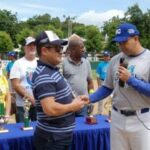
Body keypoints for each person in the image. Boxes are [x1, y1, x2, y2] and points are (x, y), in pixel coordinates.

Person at [83, 23, 150, 150]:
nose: (121, 46)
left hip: (142, 119)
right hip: (117, 118)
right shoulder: (115, 60)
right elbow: (107, 87)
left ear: (136, 38)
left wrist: (131, 80)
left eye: (124, 41)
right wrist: (90, 98)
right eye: (119, 42)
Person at [32, 30, 85, 150]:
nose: (61, 51)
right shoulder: (44, 75)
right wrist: (73, 106)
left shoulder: (51, 70)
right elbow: (50, 109)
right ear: (44, 50)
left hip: (56, 137)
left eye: (61, 48)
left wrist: (75, 100)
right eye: (57, 48)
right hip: (52, 140)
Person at [62, 34, 94, 117]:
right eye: (81, 47)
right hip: (68, 104)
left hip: (83, 104)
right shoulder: (63, 63)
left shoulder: (86, 62)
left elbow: (90, 82)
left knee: (83, 128)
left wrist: (91, 98)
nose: (84, 50)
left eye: (83, 47)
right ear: (72, 49)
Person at [10, 36, 37, 123]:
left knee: (39, 131)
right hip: (22, 105)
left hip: (38, 105)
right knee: (23, 130)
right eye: (29, 45)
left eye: (34, 45)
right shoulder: (18, 64)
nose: (32, 47)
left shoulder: (40, 62)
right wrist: (31, 99)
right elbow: (16, 85)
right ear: (24, 48)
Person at [96, 50, 111, 115]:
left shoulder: (111, 64)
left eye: (107, 56)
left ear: (109, 57)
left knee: (111, 98)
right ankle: (99, 112)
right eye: (105, 56)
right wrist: (99, 84)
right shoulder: (100, 64)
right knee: (100, 97)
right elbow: (97, 75)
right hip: (102, 81)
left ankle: (110, 112)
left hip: (110, 82)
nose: (106, 57)